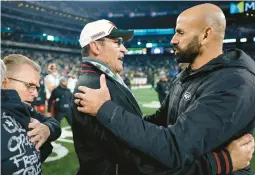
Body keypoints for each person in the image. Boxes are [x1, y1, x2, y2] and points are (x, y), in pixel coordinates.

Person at [74, 4, 255, 175]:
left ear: (206, 35)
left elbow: (173, 149)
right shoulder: (185, 77)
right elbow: (157, 124)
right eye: (117, 42)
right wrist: (224, 160)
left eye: (180, 33)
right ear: (95, 46)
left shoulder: (234, 83)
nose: (173, 40)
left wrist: (107, 110)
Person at [1, 54, 61, 174]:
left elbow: (53, 123)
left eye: (36, 88)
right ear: (4, 82)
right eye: (30, 86)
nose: (35, 94)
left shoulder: (25, 109)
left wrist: (47, 129)